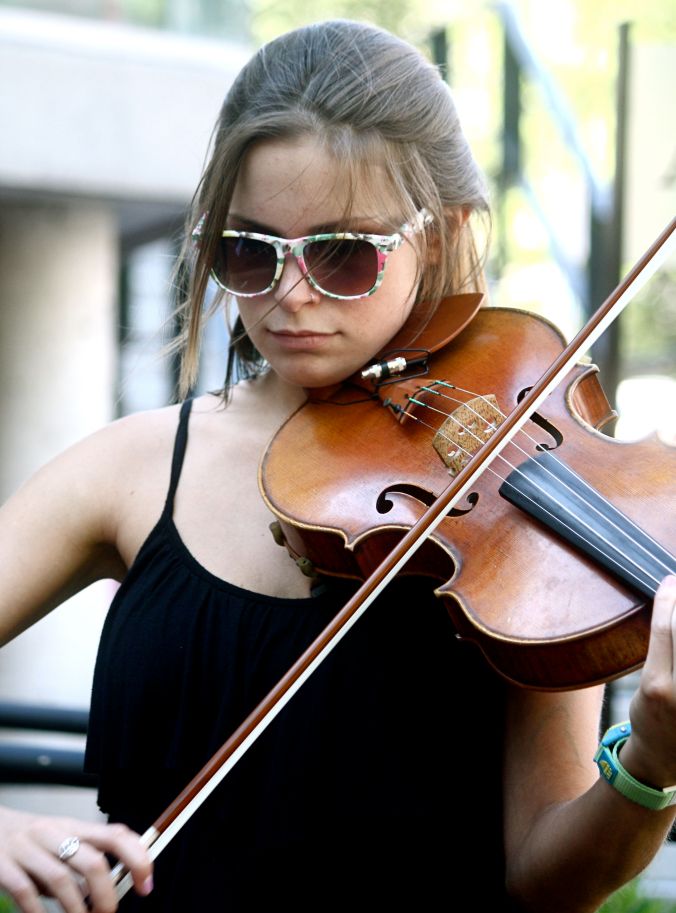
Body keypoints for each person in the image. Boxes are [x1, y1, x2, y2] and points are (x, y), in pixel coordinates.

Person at [0, 18, 674, 913]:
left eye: (344, 254)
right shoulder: (132, 466)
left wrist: (652, 763)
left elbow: (547, 882)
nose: (292, 294)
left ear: (441, 238)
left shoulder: (529, 520)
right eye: (250, 250)